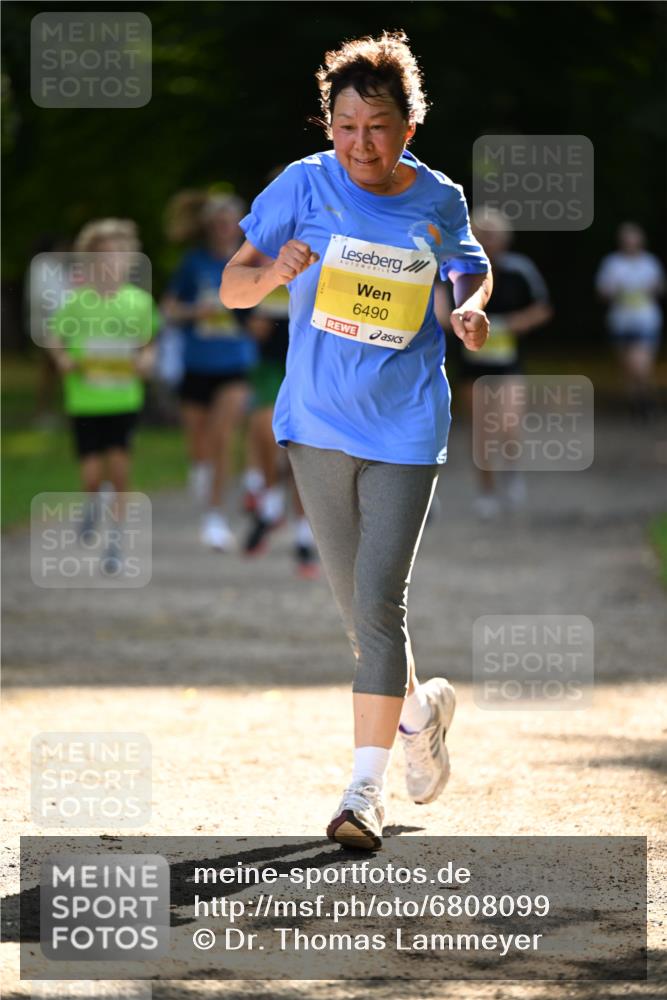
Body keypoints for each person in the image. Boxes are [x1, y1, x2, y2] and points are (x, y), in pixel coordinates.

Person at [221, 31, 492, 850]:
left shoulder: (437, 198)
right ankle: (419, 713)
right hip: (314, 424)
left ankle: (360, 796)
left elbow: (468, 266)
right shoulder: (302, 185)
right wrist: (276, 271)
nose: (358, 144)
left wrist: (470, 305)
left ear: (409, 126)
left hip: (407, 422)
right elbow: (236, 284)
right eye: (343, 126)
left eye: (375, 127)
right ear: (327, 124)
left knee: (379, 607)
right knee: (359, 616)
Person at [48, 218, 158, 573]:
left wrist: (145, 359)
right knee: (93, 475)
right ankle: (93, 504)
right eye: (104, 256)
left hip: (123, 400)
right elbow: (54, 337)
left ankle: (115, 542)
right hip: (85, 400)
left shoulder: (138, 302)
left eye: (119, 255)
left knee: (121, 471)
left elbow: (149, 341)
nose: (112, 263)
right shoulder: (77, 303)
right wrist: (63, 358)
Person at [439, 207, 552, 519]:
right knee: (482, 433)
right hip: (473, 367)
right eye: (481, 234)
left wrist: (518, 322)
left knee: (509, 426)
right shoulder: (458, 270)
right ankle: (486, 490)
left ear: (506, 238)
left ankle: (512, 472)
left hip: (508, 365)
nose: (489, 240)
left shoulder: (519, 269)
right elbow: (440, 309)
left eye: (494, 234)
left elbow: (542, 307)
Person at [162, 194, 258, 551]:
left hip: (234, 364)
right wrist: (194, 312)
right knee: (199, 444)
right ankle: (202, 477)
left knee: (221, 437)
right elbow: (169, 308)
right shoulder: (193, 263)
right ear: (208, 226)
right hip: (195, 364)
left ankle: (214, 517)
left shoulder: (252, 259)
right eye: (216, 221)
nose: (222, 227)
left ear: (238, 224)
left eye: (228, 220)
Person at [595, 222, 665, 421]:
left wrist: (650, 289)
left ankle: (646, 400)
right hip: (620, 321)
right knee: (627, 368)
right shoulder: (612, 263)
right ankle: (638, 405)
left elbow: (659, 288)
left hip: (645, 320)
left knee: (640, 365)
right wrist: (614, 291)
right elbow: (602, 291)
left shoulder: (649, 263)